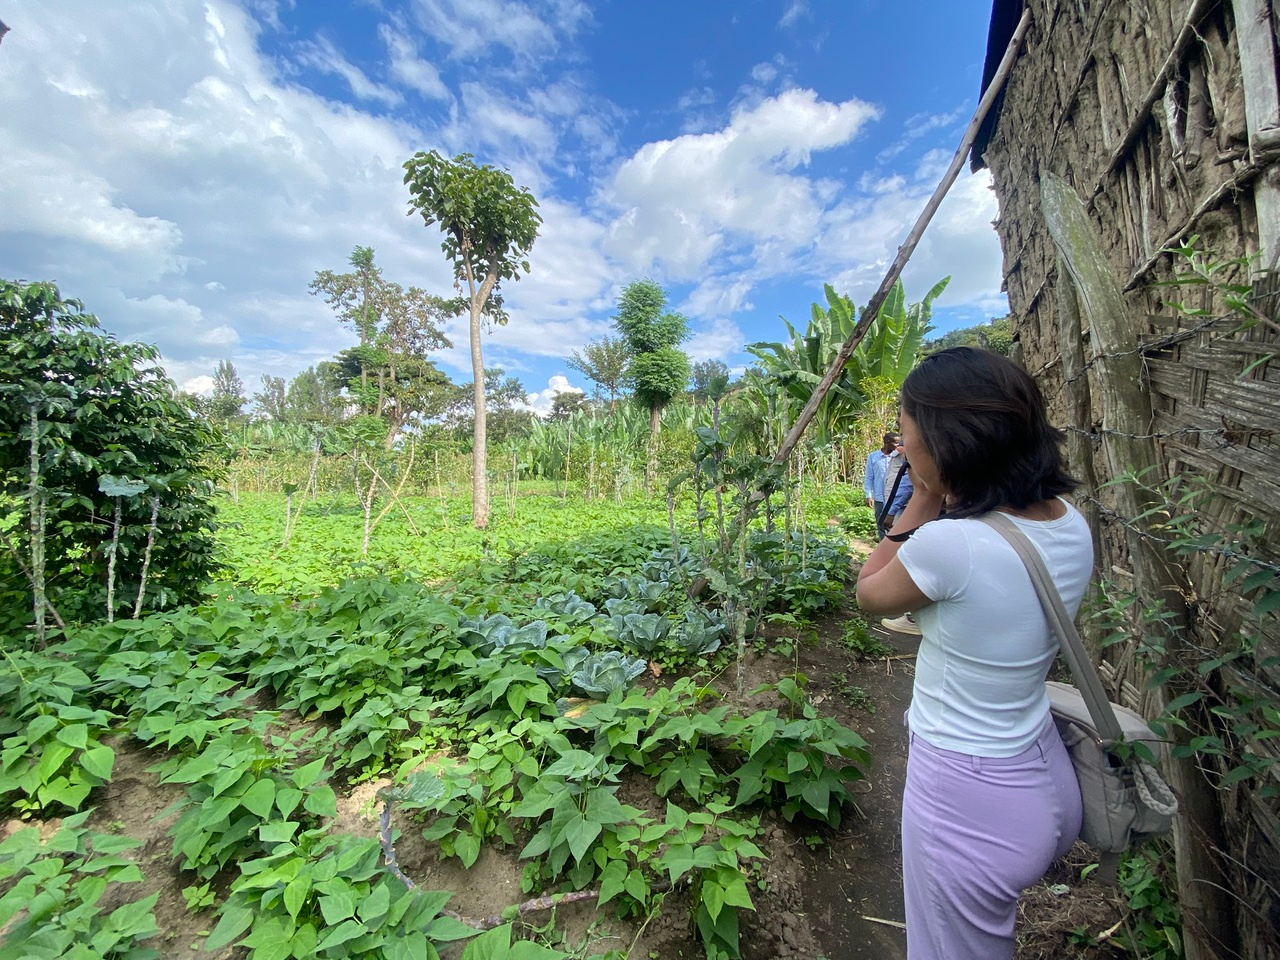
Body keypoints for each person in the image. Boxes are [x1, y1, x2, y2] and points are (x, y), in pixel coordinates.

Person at [855, 347, 1091, 960]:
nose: (903, 452)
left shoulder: (951, 547)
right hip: (1042, 769)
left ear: (947, 441)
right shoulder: (1070, 521)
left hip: (967, 799)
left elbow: (869, 592)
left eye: (909, 440)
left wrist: (926, 496)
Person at [863, 431, 900, 540]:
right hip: (879, 498)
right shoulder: (873, 457)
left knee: (893, 525)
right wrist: (869, 495)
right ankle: (882, 549)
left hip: (894, 498)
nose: (898, 446)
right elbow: (869, 477)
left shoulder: (898, 458)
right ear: (887, 442)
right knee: (880, 524)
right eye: (896, 443)